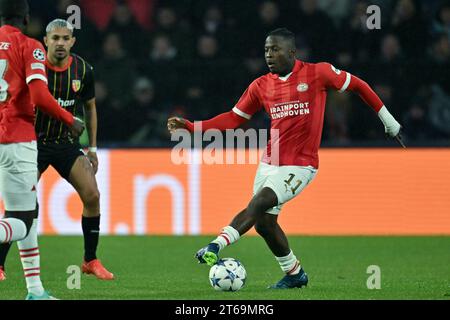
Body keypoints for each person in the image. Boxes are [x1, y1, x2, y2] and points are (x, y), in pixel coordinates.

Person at [167, 28, 403, 289]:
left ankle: (216, 244)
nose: (269, 55)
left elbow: (359, 85)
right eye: (267, 50)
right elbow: (233, 119)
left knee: (259, 202)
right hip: (270, 162)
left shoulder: (318, 73)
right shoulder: (260, 85)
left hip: (301, 165)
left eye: (275, 49)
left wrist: (388, 121)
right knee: (265, 224)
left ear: (292, 52)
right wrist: (191, 126)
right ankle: (294, 274)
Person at [0, 19, 114, 282]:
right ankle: (1, 264)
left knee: (92, 195)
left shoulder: (84, 70)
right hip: (32, 143)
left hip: (64, 144)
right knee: (21, 206)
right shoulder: (34, 64)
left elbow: (90, 108)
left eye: (66, 38)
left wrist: (93, 148)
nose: (60, 43)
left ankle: (90, 260)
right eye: (55, 38)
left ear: (72, 41)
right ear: (46, 40)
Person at [0, 0, 84, 299]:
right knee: (21, 221)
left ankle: (35, 290)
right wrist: (69, 119)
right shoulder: (29, 45)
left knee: (26, 214)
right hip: (16, 139)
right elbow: (38, 94)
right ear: (25, 17)